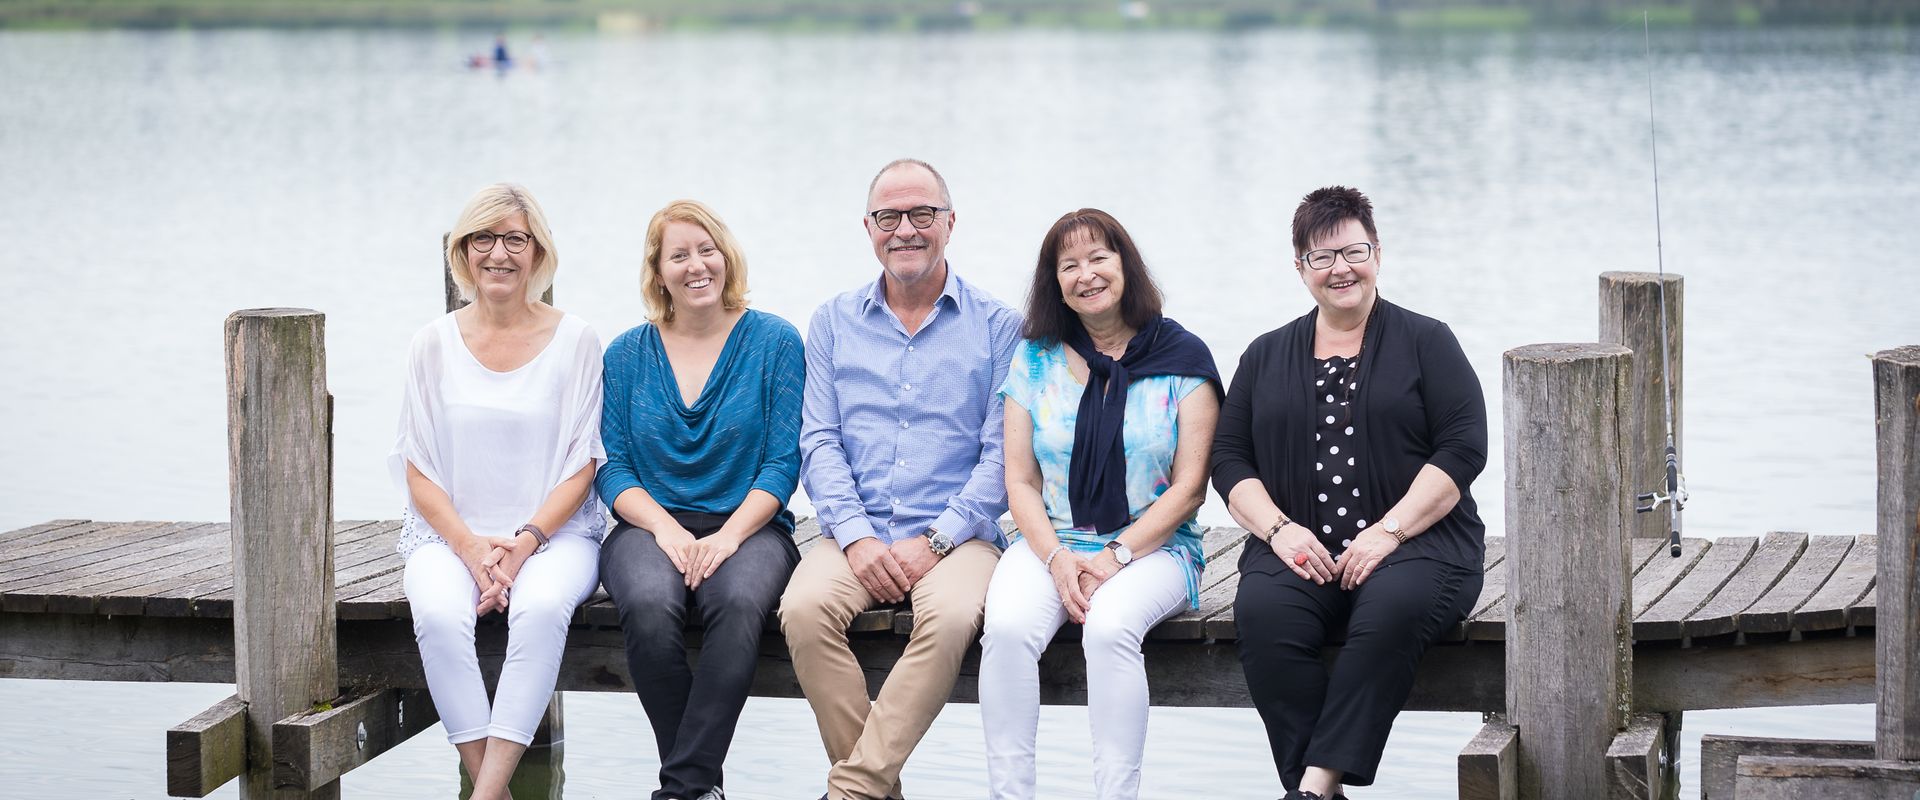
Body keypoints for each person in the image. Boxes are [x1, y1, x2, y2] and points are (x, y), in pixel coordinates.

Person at [1212, 186, 1488, 800]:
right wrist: (1278, 530)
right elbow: (1229, 460)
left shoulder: (1428, 341)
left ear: (1377, 254)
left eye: (1353, 252)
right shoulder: (1264, 355)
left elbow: (1463, 449)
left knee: (1390, 612)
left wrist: (1388, 532)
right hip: (1297, 544)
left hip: (1420, 544)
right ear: (1300, 268)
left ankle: (1312, 786)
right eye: (1322, 257)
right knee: (1263, 617)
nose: (1341, 269)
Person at [779, 158, 1022, 800]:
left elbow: (1002, 458)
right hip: (853, 532)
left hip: (959, 538)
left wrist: (936, 540)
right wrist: (856, 536)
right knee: (803, 611)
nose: (905, 230)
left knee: (949, 618)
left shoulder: (999, 326)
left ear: (950, 222)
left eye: (921, 214)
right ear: (868, 227)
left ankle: (852, 789)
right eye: (889, 217)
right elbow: (819, 440)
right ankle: (875, 791)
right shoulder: (833, 321)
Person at [978, 209, 1221, 800]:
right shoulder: (1034, 359)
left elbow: (1191, 488)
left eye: (1098, 258)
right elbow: (1020, 481)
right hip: (1051, 541)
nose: (1086, 275)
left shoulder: (1183, 358)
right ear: (1055, 283)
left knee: (1110, 628)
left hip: (1154, 547)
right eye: (1069, 265)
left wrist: (1117, 554)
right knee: (1006, 629)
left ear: (1125, 265)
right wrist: (1057, 557)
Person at [390, 183, 605, 800]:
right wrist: (469, 547)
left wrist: (525, 541)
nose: (499, 253)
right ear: (463, 252)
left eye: (515, 239)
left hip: (555, 536)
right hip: (448, 535)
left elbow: (584, 464)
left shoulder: (577, 341)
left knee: (540, 610)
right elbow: (418, 469)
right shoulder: (431, 344)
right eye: (482, 239)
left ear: (538, 252)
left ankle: (484, 793)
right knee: (437, 615)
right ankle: (497, 790)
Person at [596, 200, 805, 800]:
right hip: (648, 525)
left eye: (707, 250)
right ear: (658, 272)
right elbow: (613, 467)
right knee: (647, 603)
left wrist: (729, 536)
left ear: (726, 256)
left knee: (737, 603)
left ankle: (683, 789)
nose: (696, 266)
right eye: (679, 255)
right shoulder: (625, 355)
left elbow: (782, 463)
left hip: (751, 525)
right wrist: (665, 529)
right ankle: (698, 786)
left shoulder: (775, 342)